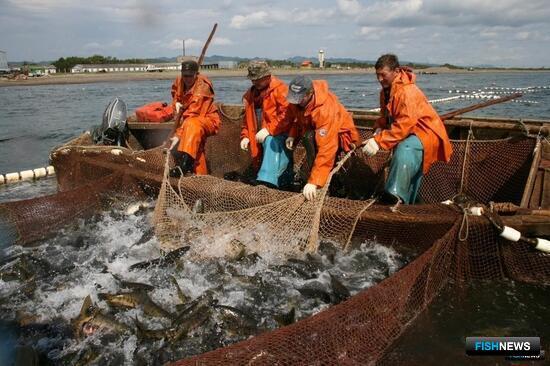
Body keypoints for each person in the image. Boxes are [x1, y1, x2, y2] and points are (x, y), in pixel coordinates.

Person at [362, 54, 453, 204]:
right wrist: (379, 128)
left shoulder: (407, 92)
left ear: (396, 72)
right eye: (377, 75)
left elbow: (405, 123)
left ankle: (393, 196)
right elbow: (386, 116)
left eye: (383, 75)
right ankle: (411, 202)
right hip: (409, 133)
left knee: (405, 148)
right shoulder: (385, 92)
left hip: (426, 134)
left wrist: (379, 142)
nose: (379, 79)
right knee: (407, 161)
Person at [285, 75, 360, 200]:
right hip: (316, 134)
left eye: (299, 98)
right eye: (294, 98)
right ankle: (317, 180)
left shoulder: (324, 110)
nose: (296, 101)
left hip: (341, 138)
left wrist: (314, 182)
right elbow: (299, 119)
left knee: (310, 138)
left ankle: (326, 186)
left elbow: (327, 149)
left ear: (310, 93)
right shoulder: (299, 102)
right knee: (308, 137)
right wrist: (292, 135)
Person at [240, 61, 292, 187]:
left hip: (282, 134)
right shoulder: (250, 95)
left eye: (258, 79)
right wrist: (245, 136)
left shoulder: (281, 90)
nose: (255, 82)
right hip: (259, 135)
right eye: (253, 80)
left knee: (270, 140)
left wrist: (269, 129)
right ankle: (264, 176)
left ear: (267, 76)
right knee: (263, 142)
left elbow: (287, 115)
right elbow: (247, 121)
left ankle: (267, 182)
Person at [167, 56, 220, 177]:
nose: (188, 79)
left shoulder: (202, 87)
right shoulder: (179, 81)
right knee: (197, 147)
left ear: (196, 74)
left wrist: (178, 135)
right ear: (181, 74)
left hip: (208, 120)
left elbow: (193, 114)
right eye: (185, 76)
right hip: (190, 122)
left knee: (192, 125)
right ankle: (200, 177)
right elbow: (176, 95)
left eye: (191, 76)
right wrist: (176, 104)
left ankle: (185, 166)